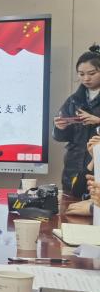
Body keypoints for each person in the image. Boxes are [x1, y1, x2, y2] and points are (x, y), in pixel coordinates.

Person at [54, 45, 100, 198]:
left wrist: (98, 121)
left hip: (97, 167)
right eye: (81, 74)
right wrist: (60, 127)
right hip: (73, 167)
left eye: (92, 73)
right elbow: (61, 137)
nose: (86, 78)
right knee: (71, 207)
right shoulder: (74, 100)